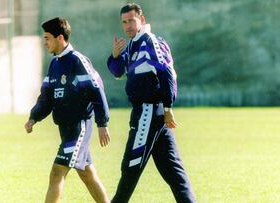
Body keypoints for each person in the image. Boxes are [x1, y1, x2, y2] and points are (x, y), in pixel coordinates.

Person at [107, 3, 196, 203]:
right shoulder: (132, 44)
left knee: (130, 166)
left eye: (131, 20)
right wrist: (114, 56)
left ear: (142, 20)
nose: (128, 25)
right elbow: (117, 72)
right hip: (148, 114)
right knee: (173, 171)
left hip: (148, 113)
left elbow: (167, 73)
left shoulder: (149, 41)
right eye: (124, 22)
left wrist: (168, 107)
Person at [25, 17, 111, 203]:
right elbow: (46, 97)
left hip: (79, 127)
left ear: (60, 38)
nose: (44, 42)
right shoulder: (54, 64)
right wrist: (34, 117)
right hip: (64, 129)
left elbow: (96, 90)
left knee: (57, 172)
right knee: (86, 173)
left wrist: (102, 123)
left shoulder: (77, 61)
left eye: (47, 37)